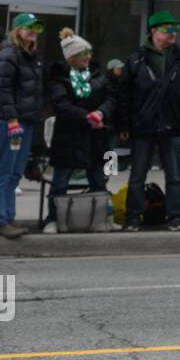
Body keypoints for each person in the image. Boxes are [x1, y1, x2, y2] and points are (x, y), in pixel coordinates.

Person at [117, 10, 180, 232]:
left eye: (175, 29)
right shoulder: (137, 59)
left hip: (171, 125)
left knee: (174, 176)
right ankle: (133, 218)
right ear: (153, 31)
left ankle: (175, 217)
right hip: (143, 126)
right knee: (137, 175)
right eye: (167, 29)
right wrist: (124, 124)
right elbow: (124, 93)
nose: (173, 33)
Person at [41, 30, 113, 234]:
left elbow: (111, 97)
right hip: (68, 137)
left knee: (99, 180)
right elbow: (61, 104)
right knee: (60, 182)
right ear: (72, 57)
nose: (89, 57)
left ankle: (102, 218)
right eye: (84, 54)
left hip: (95, 138)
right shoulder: (58, 78)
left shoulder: (98, 74)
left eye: (89, 53)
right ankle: (53, 219)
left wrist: (101, 112)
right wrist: (87, 116)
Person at [0, 13, 44, 240]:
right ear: (17, 30)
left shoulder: (33, 56)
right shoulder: (8, 54)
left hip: (26, 122)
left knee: (15, 173)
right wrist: (11, 120)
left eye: (35, 27)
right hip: (10, 122)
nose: (32, 31)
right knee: (5, 171)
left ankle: (8, 216)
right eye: (27, 27)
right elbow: (2, 90)